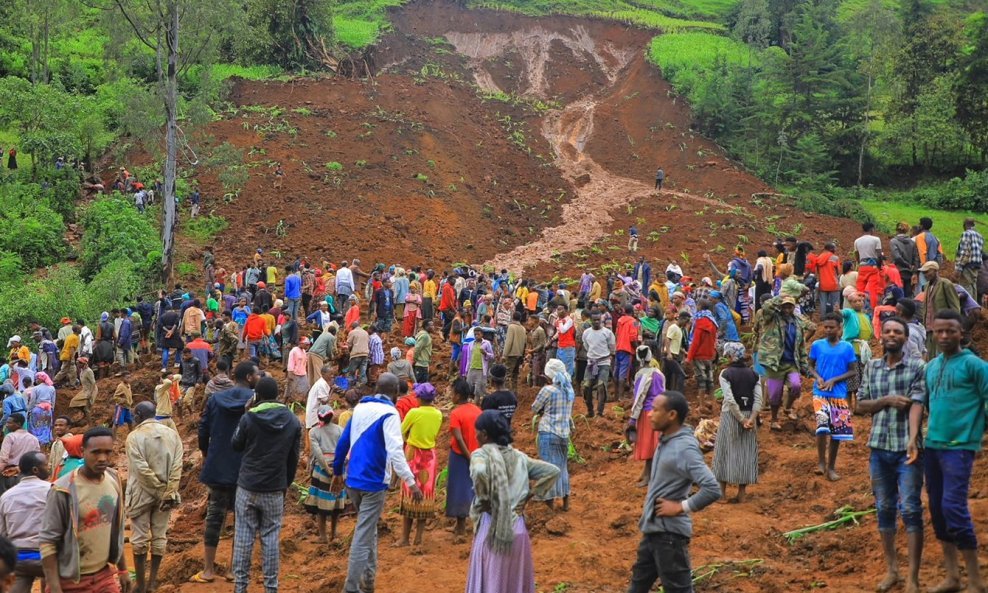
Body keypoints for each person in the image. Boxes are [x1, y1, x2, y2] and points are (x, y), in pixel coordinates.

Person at [907, 309, 988, 593]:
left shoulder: (975, 366)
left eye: (949, 330)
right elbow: (921, 403)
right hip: (934, 446)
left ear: (960, 333)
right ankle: (953, 576)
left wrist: (978, 437)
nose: (943, 336)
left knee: (954, 507)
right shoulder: (931, 367)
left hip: (960, 448)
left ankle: (976, 580)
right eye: (939, 331)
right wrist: (914, 436)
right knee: (938, 511)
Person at [854, 317, 926, 593]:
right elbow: (860, 405)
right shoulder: (872, 367)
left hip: (908, 450)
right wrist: (886, 401)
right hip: (879, 448)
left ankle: (913, 577)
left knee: (910, 509)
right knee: (884, 508)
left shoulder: (918, 367)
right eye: (888, 331)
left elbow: (917, 405)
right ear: (880, 337)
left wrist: (912, 439)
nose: (892, 335)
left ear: (906, 338)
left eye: (898, 331)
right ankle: (892, 570)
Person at [332, 373, 422, 593]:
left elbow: (343, 441)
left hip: (353, 479)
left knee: (368, 529)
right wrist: (411, 482)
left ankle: (368, 582)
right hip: (373, 482)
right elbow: (395, 451)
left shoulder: (360, 408)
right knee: (362, 536)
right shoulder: (390, 413)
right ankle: (351, 587)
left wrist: (337, 472)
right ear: (396, 393)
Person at [627, 391, 721, 593]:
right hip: (653, 531)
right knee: (637, 587)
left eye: (655, 410)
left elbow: (712, 488)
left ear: (672, 415)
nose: (650, 414)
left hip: (669, 537)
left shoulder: (684, 448)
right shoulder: (666, 440)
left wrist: (681, 507)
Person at [465, 410, 560, 593]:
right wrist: (530, 495)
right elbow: (553, 471)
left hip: (492, 528)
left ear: (484, 434)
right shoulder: (519, 457)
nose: (475, 435)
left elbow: (478, 472)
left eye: (477, 431)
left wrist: (486, 496)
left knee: (492, 582)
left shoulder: (481, 454)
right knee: (513, 583)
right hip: (517, 528)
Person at [230, 376, 302, 593]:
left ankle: (240, 587)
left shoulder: (249, 418)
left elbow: (236, 444)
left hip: (248, 486)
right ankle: (271, 588)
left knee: (243, 537)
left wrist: (245, 414)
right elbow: (294, 458)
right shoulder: (292, 420)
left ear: (257, 396)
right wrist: (285, 483)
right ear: (277, 395)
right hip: (274, 488)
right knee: (271, 538)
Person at [39, 427, 130, 593]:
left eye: (107, 452)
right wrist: (54, 586)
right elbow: (48, 542)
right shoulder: (63, 489)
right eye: (96, 452)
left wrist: (123, 569)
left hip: (104, 576)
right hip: (70, 581)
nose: (102, 458)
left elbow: (116, 529)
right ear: (83, 451)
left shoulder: (113, 480)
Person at [192, 361, 258, 584]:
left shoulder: (216, 399)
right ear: (249, 377)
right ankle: (232, 570)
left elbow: (203, 430)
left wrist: (205, 455)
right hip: (246, 468)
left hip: (218, 465)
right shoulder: (256, 401)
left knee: (214, 517)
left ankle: (208, 570)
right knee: (242, 519)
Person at [125, 401, 183, 593]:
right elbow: (177, 466)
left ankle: (140, 585)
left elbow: (140, 468)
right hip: (166, 495)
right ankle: (152, 583)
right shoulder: (172, 434)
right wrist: (168, 491)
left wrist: (158, 490)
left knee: (139, 539)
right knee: (160, 536)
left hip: (141, 493)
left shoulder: (134, 437)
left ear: (139, 415)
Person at [809, 313, 858, 482]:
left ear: (840, 328)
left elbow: (852, 370)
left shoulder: (847, 347)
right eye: (826, 327)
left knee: (837, 433)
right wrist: (818, 377)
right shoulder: (817, 345)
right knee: (822, 426)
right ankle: (821, 462)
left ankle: (831, 467)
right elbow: (810, 366)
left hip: (839, 394)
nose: (828, 330)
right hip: (820, 392)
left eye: (832, 327)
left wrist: (834, 380)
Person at [712, 342, 761, 503]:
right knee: (746, 452)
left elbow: (730, 399)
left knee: (724, 451)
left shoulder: (725, 374)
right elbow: (759, 399)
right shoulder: (754, 374)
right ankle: (742, 493)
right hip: (749, 416)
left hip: (731, 416)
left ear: (729, 356)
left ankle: (722, 493)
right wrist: (751, 419)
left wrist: (741, 419)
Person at [398, 381, 443, 546]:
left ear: (419, 397)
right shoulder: (438, 414)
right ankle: (418, 538)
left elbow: (401, 431)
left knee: (409, 492)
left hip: (413, 454)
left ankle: (404, 538)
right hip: (430, 457)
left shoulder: (414, 413)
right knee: (425, 495)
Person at [757, 295, 812, 430]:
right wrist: (780, 297)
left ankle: (787, 408)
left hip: (791, 362)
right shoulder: (772, 319)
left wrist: (804, 364)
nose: (787, 309)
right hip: (775, 363)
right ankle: (774, 419)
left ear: (794, 308)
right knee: (775, 394)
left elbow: (801, 344)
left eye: (790, 306)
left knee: (796, 385)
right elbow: (766, 307)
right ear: (780, 307)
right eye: (784, 306)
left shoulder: (797, 322)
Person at [0, 450, 49, 593]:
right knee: (52, 577)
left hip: (18, 559)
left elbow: (3, 534)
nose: (49, 467)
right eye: (46, 465)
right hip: (46, 557)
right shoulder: (52, 490)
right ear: (36, 469)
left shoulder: (6, 497)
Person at [532, 359, 574, 511]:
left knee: (548, 468)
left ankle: (549, 505)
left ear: (549, 375)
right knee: (562, 467)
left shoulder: (547, 390)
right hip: (564, 434)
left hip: (548, 432)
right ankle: (566, 502)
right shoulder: (569, 390)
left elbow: (535, 408)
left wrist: (543, 411)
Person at [304, 405, 346, 542]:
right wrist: (337, 471)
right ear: (332, 416)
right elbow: (346, 451)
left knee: (320, 504)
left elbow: (317, 453)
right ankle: (334, 533)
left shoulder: (314, 432)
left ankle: (323, 536)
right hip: (339, 470)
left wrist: (327, 470)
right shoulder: (340, 430)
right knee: (336, 502)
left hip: (322, 471)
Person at [447, 379, 482, 540]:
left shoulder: (455, 413)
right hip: (477, 453)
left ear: (458, 395)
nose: (450, 395)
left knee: (458, 489)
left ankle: (460, 527)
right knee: (472, 487)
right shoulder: (477, 410)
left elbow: (459, 439)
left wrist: (468, 457)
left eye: (452, 392)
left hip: (461, 455)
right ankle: (468, 523)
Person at [628, 346, 664, 487]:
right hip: (660, 411)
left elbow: (639, 398)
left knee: (648, 445)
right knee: (655, 444)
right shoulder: (659, 373)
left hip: (647, 413)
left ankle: (649, 477)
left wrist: (633, 418)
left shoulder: (641, 375)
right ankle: (648, 474)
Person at [918, 261, 961, 358]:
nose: (925, 275)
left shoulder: (945, 284)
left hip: (943, 329)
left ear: (935, 271)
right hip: (929, 329)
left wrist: (952, 327)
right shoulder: (927, 286)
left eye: (927, 272)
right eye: (924, 273)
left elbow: (955, 307)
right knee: (931, 358)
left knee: (943, 356)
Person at [685, 301, 717, 404]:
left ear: (700, 307)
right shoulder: (712, 321)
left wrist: (689, 357)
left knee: (701, 380)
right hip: (709, 354)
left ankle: (702, 404)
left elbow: (695, 341)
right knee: (710, 378)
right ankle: (712, 401)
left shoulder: (699, 322)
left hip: (699, 355)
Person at [0, 414, 39, 495]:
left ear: (18, 424)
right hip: (26, 475)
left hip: (8, 474)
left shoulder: (10, 437)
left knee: (6, 499)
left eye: (9, 423)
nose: (6, 425)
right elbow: (37, 458)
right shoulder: (33, 439)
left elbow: (4, 459)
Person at [955, 218, 983, 303]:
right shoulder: (979, 236)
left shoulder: (966, 234)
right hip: (976, 265)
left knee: (965, 288)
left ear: (965, 225)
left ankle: (968, 310)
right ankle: (974, 309)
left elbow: (965, 252)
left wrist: (958, 268)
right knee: (973, 286)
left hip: (967, 265)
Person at [661, 311, 689, 393]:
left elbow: (676, 344)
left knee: (668, 377)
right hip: (670, 356)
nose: (686, 324)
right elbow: (667, 339)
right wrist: (669, 353)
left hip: (674, 355)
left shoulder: (680, 330)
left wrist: (685, 352)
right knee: (681, 374)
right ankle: (679, 395)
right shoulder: (673, 327)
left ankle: (667, 394)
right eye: (686, 321)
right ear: (682, 319)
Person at [110, 373, 134, 441]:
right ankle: (113, 438)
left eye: (129, 377)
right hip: (121, 407)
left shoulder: (128, 385)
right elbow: (115, 397)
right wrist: (123, 400)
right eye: (127, 378)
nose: (129, 379)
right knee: (116, 423)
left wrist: (129, 402)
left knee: (130, 421)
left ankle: (131, 434)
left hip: (127, 407)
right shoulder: (120, 386)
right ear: (123, 378)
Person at [346, 322, 370, 386]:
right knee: (363, 372)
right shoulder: (365, 332)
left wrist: (349, 350)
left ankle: (349, 387)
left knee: (351, 372)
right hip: (365, 354)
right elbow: (368, 342)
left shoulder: (352, 332)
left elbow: (349, 344)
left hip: (356, 354)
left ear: (353, 327)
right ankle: (362, 387)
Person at [413, 320, 434, 384]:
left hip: (422, 363)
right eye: (431, 325)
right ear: (426, 326)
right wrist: (415, 359)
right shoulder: (425, 336)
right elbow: (417, 348)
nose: (433, 327)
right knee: (421, 384)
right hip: (421, 364)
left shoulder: (424, 334)